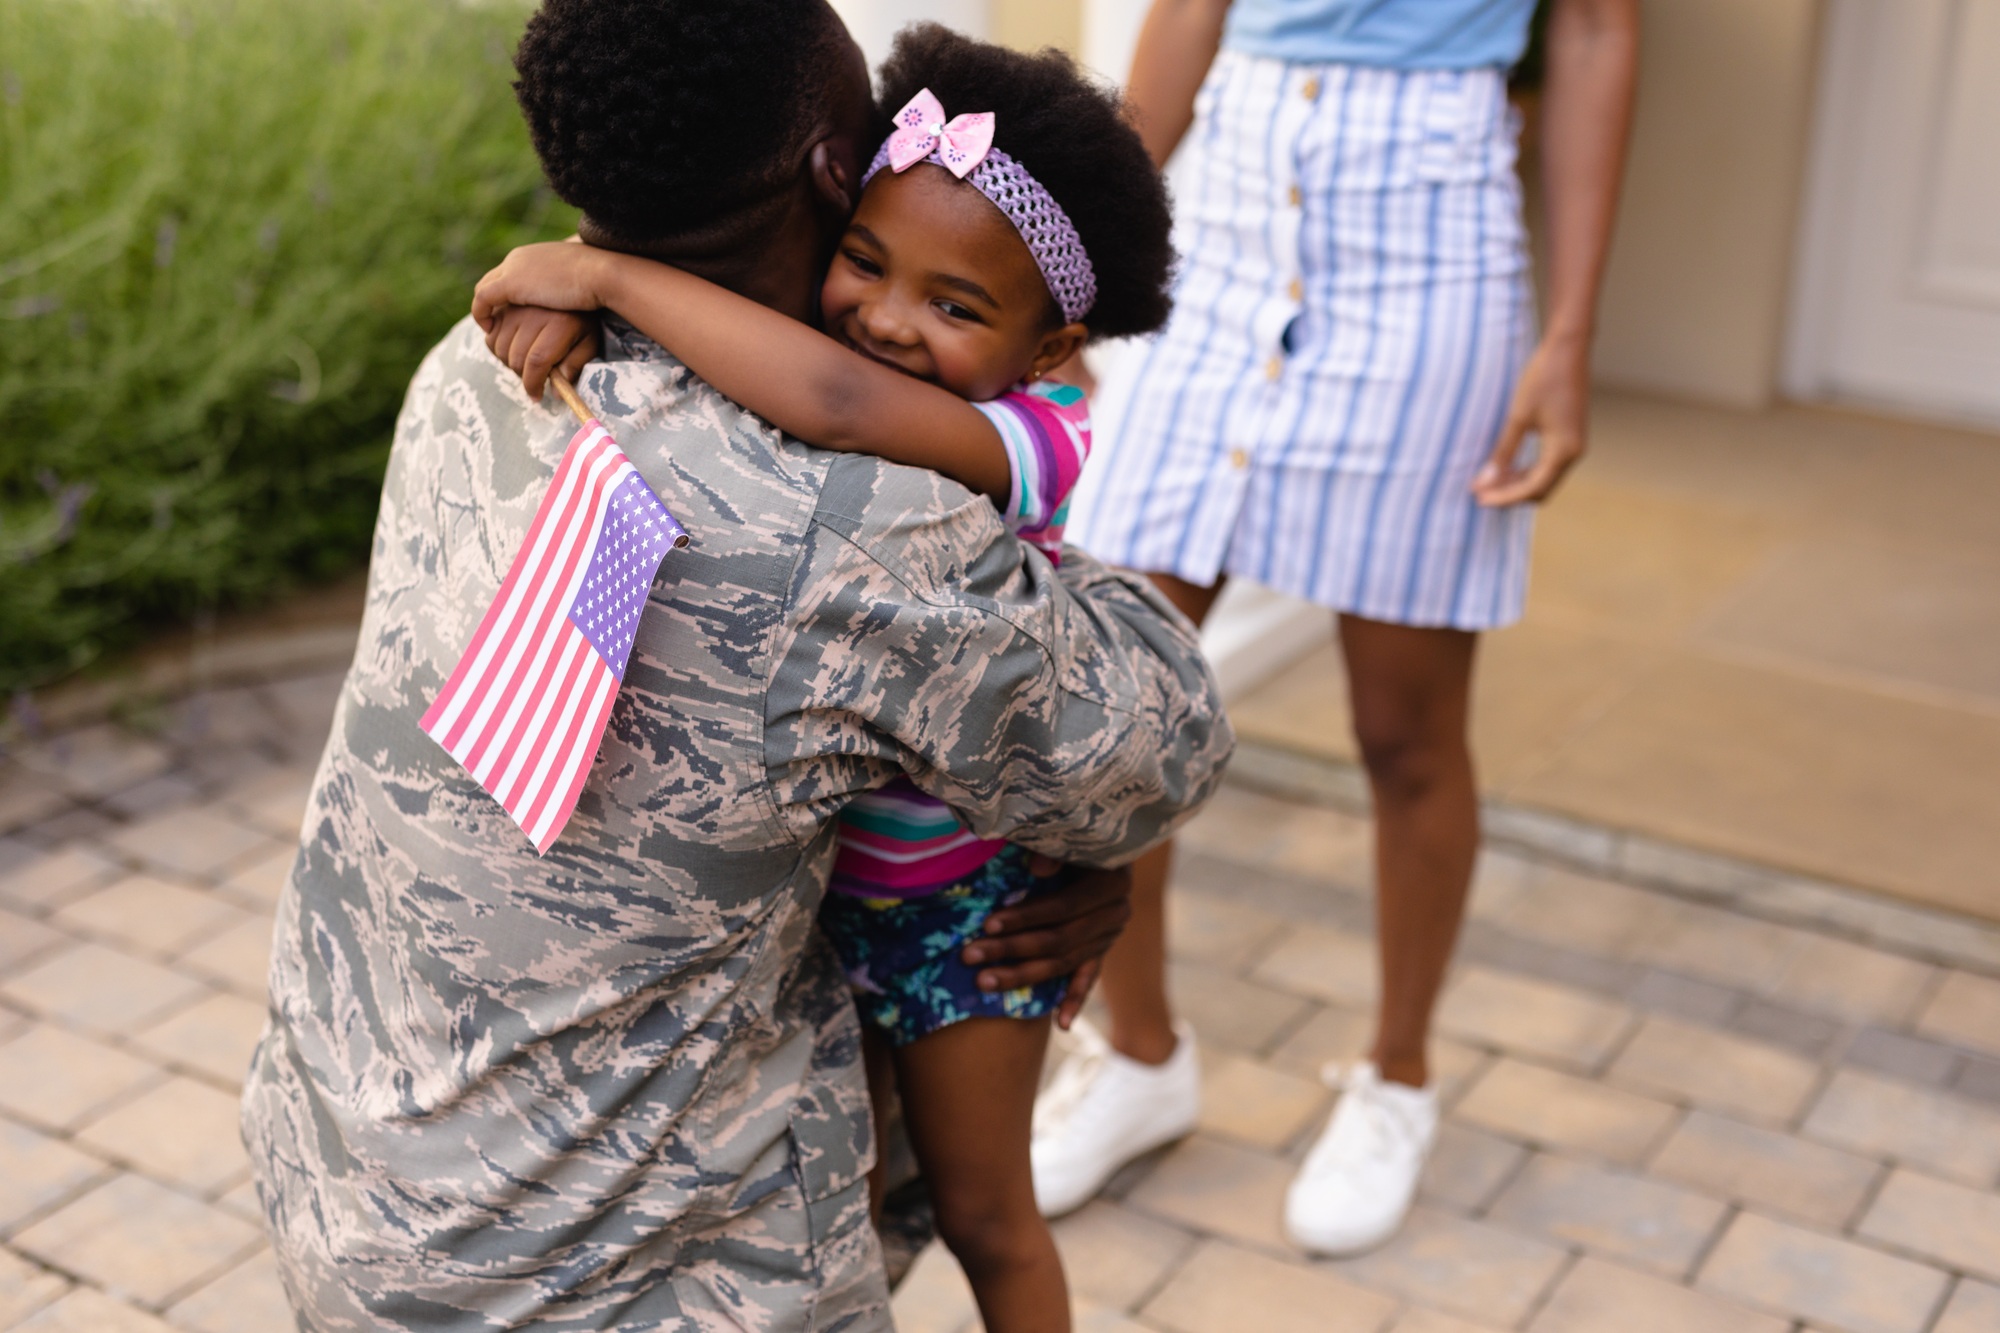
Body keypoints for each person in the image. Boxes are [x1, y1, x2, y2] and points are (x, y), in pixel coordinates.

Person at [236, 3, 1233, 1330]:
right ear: (839, 173)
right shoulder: (853, 525)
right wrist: (1070, 841)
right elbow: (1149, 753)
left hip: (347, 1179)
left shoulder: (482, 357)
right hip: (614, 1284)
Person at [471, 26, 1175, 1333]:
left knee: (986, 1214)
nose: (892, 320)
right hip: (826, 899)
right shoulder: (818, 342)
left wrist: (601, 267)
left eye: (955, 307)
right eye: (864, 257)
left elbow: (839, 400)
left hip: (965, 912)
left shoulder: (1033, 433)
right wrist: (605, 285)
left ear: (1045, 347)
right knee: (829, 1208)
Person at [1031, 0, 1638, 1257]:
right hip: (1224, 213)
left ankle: (1397, 1076)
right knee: (1111, 696)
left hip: (1432, 247)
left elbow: (1588, 28)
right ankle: (1136, 1054)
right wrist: (1088, 272)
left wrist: (1569, 336)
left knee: (1403, 730)